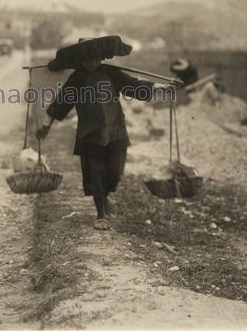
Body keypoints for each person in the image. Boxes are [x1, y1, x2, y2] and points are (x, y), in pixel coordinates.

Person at [36, 54, 169, 231]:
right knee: (96, 173)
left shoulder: (111, 72)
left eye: (95, 58)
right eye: (88, 58)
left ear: (100, 58)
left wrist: (158, 87)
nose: (92, 61)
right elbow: (60, 103)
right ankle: (101, 214)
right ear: (81, 60)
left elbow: (133, 86)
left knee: (115, 173)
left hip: (115, 129)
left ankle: (106, 195)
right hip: (90, 133)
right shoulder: (77, 78)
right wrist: (46, 126)